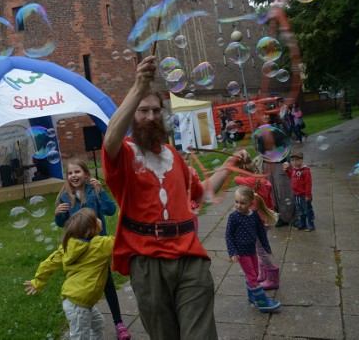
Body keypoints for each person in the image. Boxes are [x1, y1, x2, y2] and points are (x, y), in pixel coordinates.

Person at [102, 54, 249, 340]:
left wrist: (228, 166)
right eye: (143, 111)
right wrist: (138, 87)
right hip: (147, 261)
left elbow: (202, 192)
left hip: (189, 258)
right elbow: (110, 139)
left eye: (156, 111)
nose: (150, 117)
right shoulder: (125, 155)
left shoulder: (173, 157)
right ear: (133, 115)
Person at [54, 159, 131, 340]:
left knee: (108, 284)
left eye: (77, 172)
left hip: (97, 247)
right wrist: (58, 215)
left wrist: (102, 192)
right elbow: (62, 223)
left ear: (86, 174)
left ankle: (119, 323)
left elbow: (111, 210)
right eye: (70, 173)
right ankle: (84, 313)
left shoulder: (94, 192)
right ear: (67, 176)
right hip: (79, 250)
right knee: (85, 284)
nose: (74, 176)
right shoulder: (64, 197)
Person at [24, 208, 113, 340]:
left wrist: (38, 281)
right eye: (95, 218)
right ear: (91, 228)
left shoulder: (68, 244)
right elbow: (121, 242)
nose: (99, 218)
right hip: (79, 305)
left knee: (98, 324)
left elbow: (50, 262)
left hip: (76, 301)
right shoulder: (100, 244)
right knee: (80, 337)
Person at [225, 186, 282, 313]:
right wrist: (232, 252)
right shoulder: (233, 217)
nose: (238, 205)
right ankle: (263, 303)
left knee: (255, 274)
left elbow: (261, 233)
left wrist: (267, 248)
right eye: (236, 202)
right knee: (252, 276)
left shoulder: (254, 216)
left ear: (251, 203)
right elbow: (228, 235)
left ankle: (252, 296)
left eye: (242, 203)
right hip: (241, 253)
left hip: (252, 251)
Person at [234, 176, 280, 290]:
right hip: (264, 221)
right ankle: (264, 275)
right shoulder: (262, 181)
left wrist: (231, 167)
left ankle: (273, 279)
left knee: (261, 251)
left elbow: (236, 179)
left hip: (260, 223)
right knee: (259, 250)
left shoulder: (252, 181)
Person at [259, 112, 298, 228]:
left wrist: (287, 161)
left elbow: (286, 144)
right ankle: (281, 216)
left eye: (267, 114)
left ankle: (294, 217)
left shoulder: (280, 127)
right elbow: (260, 148)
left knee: (283, 190)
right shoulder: (261, 130)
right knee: (272, 192)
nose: (265, 116)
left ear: (272, 115)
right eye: (263, 115)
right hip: (267, 163)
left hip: (280, 163)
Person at [283, 151, 315, 231]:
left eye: (297, 160)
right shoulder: (294, 170)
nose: (295, 162)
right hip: (296, 194)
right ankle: (303, 223)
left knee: (307, 210)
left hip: (304, 195)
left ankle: (311, 224)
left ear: (302, 160)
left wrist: (308, 195)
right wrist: (287, 172)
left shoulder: (305, 171)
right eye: (293, 160)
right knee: (300, 210)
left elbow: (308, 184)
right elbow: (292, 177)